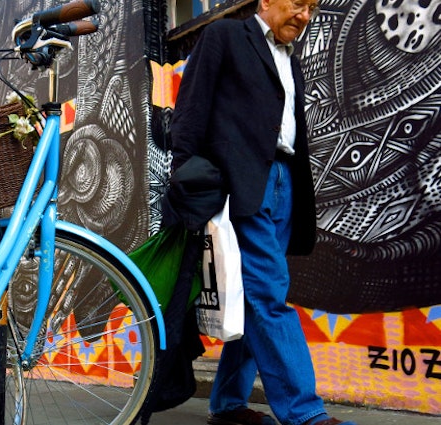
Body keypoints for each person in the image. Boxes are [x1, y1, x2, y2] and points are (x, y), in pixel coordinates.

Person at [169, 0, 357, 425]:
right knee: (267, 292)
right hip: (242, 182)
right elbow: (191, 107)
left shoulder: (292, 59)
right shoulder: (225, 37)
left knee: (257, 293)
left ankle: (229, 403)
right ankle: (304, 412)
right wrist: (187, 176)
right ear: (266, 1)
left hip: (284, 181)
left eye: (311, 8)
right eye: (297, 4)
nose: (305, 16)